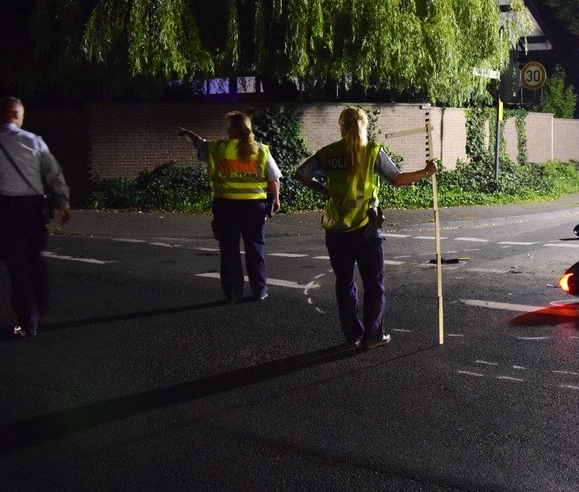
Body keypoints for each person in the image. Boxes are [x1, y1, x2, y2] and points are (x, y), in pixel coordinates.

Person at [296, 107, 437, 350]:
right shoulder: (372, 152)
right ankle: (373, 336)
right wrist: (426, 172)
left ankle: (352, 336)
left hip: (336, 229)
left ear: (341, 127)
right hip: (365, 229)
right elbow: (396, 179)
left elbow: (301, 173)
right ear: (365, 125)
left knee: (344, 283)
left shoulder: (328, 153)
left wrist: (324, 190)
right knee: (373, 282)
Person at [0, 97, 72, 338]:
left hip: (6, 211)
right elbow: (53, 174)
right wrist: (63, 203)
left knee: (17, 265)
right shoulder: (34, 142)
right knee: (35, 258)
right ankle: (42, 307)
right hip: (34, 210)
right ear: (15, 115)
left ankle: (27, 319)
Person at [177, 112, 281, 303]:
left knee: (229, 250)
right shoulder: (261, 150)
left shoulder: (218, 148)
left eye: (228, 126)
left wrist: (186, 133)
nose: (226, 129)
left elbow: (199, 143)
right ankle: (260, 291)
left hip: (226, 206)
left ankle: (232, 294)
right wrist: (275, 200)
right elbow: (273, 178)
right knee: (255, 248)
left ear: (233, 129)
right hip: (254, 207)